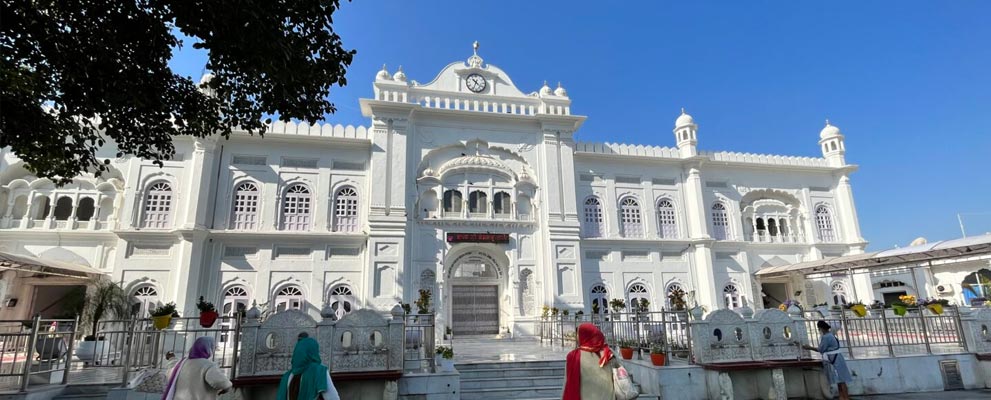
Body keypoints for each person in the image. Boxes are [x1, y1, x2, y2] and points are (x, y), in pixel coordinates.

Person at [162, 336, 232, 400]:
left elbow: (171, 372)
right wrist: (227, 387)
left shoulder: (182, 363)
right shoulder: (208, 365)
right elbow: (221, 382)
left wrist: (172, 358)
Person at [562, 323, 619, 400]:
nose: (577, 338)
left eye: (578, 335)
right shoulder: (608, 353)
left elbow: (568, 384)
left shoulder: (574, 356)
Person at [803, 320, 852, 400]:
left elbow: (821, 349)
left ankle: (845, 397)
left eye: (819, 329)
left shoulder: (826, 337)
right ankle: (842, 397)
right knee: (840, 380)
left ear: (821, 328)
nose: (819, 331)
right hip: (837, 358)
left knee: (841, 381)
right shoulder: (831, 335)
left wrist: (809, 347)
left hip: (835, 360)